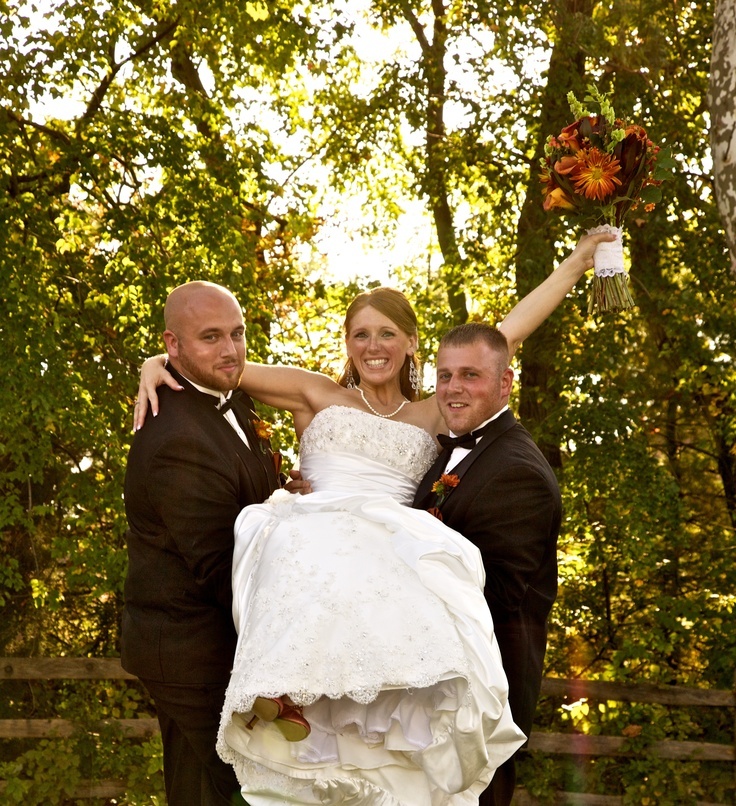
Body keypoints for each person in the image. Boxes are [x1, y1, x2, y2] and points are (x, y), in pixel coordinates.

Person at [135, 232, 614, 805]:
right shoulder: (314, 393)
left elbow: (505, 335)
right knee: (302, 565)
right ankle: (288, 711)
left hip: (392, 549)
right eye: (360, 334)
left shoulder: (432, 408)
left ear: (412, 343)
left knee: (396, 665)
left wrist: (577, 264)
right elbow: (221, 366)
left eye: (387, 333)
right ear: (347, 343)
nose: (373, 345)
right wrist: (156, 361)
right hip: (314, 537)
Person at [121, 281, 282, 806]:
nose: (231, 349)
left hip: (214, 642)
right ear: (174, 345)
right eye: (211, 337)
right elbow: (222, 566)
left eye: (237, 333)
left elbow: (248, 499)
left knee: (211, 787)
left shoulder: (229, 395)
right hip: (190, 651)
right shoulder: (178, 439)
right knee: (221, 788)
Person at [413, 323, 560, 806]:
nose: (454, 388)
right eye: (445, 374)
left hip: (481, 696)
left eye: (470, 375)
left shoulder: (517, 471)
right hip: (435, 680)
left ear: (505, 383)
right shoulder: (452, 453)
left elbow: (493, 593)